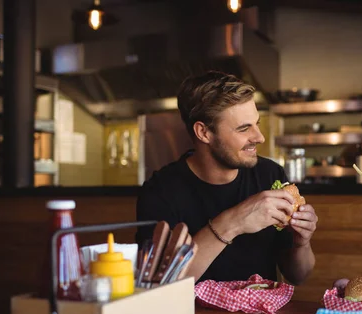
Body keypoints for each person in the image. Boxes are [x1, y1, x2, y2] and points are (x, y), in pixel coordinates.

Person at [135, 71, 317, 284]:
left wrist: (301, 242)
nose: (259, 137)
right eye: (244, 128)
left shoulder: (270, 174)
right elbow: (161, 284)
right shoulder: (161, 191)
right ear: (204, 132)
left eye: (257, 124)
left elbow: (298, 276)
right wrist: (233, 222)